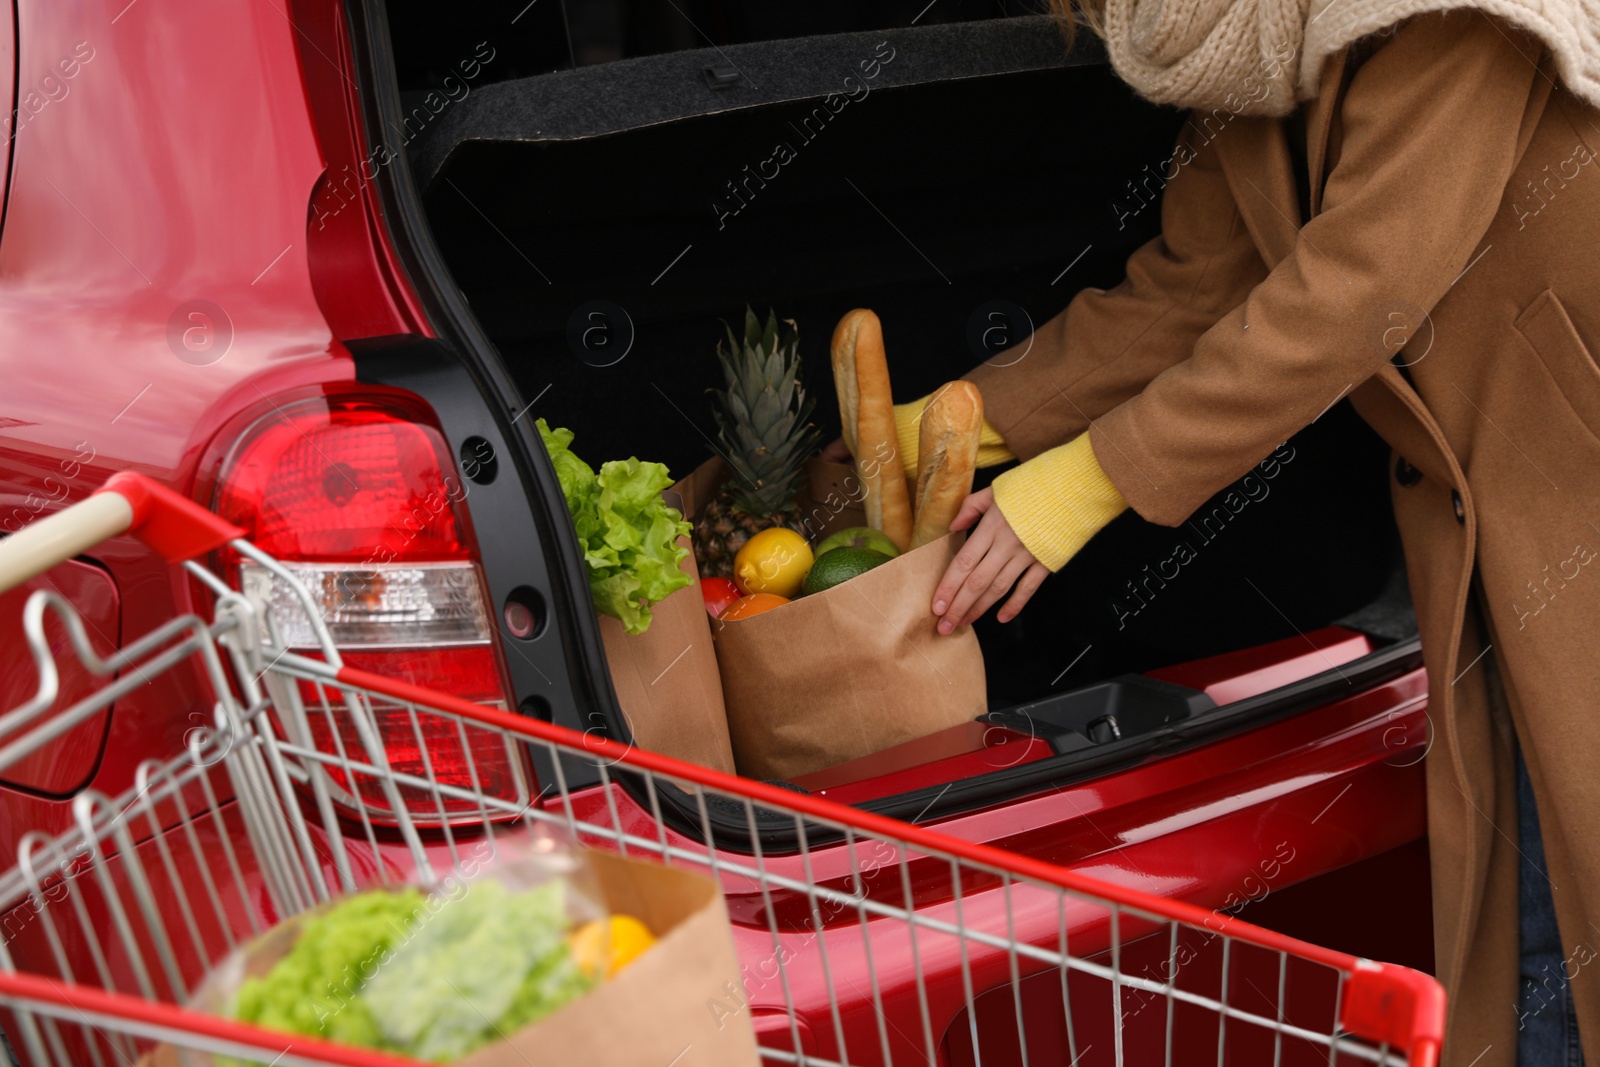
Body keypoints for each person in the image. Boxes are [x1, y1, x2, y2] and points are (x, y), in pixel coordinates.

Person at [829, 1, 1600, 1064]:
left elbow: (1354, 290)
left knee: (1566, 932)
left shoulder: (1448, 16)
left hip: (1571, 486)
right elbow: (1188, 288)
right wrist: (932, 431)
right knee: (1539, 924)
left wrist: (1085, 483)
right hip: (1500, 525)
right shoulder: (1244, 40)